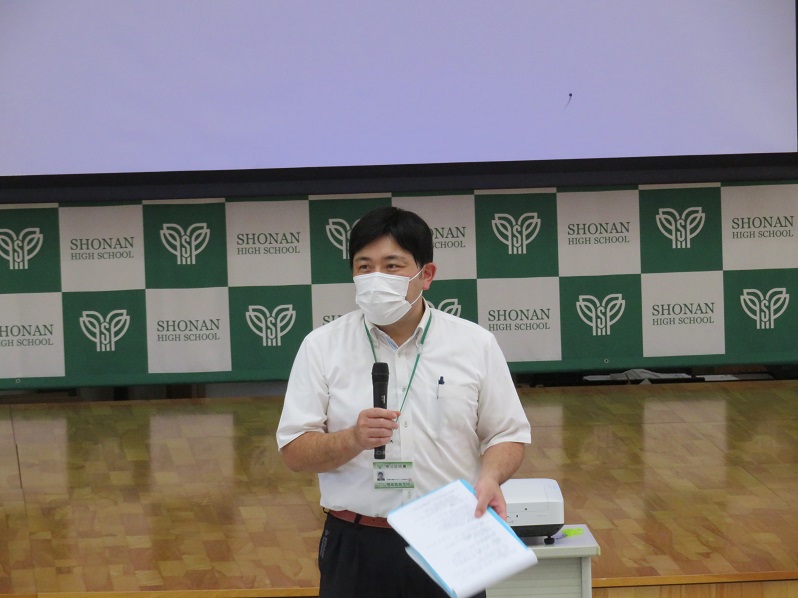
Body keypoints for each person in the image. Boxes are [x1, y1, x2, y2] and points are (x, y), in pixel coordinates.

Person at [276, 206, 531, 597]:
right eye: (364, 267)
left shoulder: (474, 344)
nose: (376, 277)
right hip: (357, 541)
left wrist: (491, 477)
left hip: (451, 537)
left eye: (392, 266)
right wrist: (352, 439)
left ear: (426, 274)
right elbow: (294, 452)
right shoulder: (322, 347)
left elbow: (507, 434)